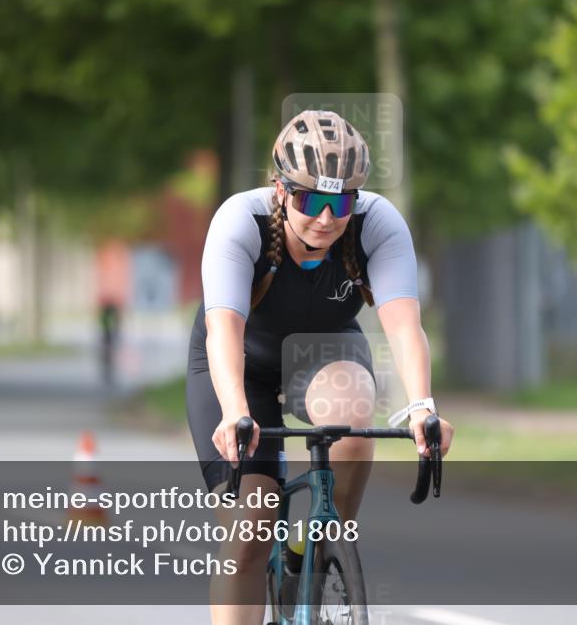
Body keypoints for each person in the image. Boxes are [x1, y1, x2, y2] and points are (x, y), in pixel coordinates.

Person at [186, 109, 454, 624]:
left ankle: (316, 547)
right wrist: (235, 412)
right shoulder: (240, 221)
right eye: (312, 199)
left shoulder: (377, 224)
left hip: (324, 351)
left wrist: (422, 407)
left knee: (354, 423)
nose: (328, 218)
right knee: (251, 529)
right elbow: (224, 330)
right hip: (239, 362)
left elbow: (403, 326)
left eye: (342, 201)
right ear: (281, 189)